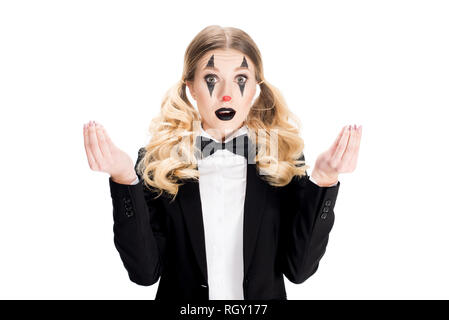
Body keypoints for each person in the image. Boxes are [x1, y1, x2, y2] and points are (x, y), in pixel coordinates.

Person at [83, 25, 362, 300]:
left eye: (241, 79)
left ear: (255, 88)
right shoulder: (160, 161)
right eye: (212, 79)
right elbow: (144, 274)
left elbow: (299, 271)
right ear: (191, 87)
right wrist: (123, 178)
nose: (226, 94)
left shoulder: (283, 160)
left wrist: (325, 178)